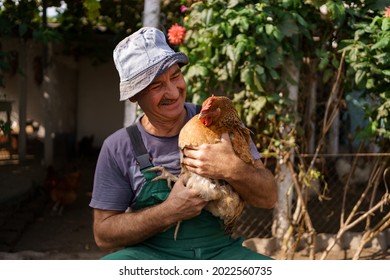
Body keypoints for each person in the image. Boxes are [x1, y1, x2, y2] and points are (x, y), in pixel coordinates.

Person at [89, 27, 277, 260]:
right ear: (134, 96)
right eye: (157, 86)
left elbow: (269, 198)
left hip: (222, 252)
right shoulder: (118, 147)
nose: (173, 91)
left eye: (175, 76)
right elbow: (103, 235)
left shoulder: (217, 119)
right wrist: (168, 211)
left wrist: (232, 169)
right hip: (153, 256)